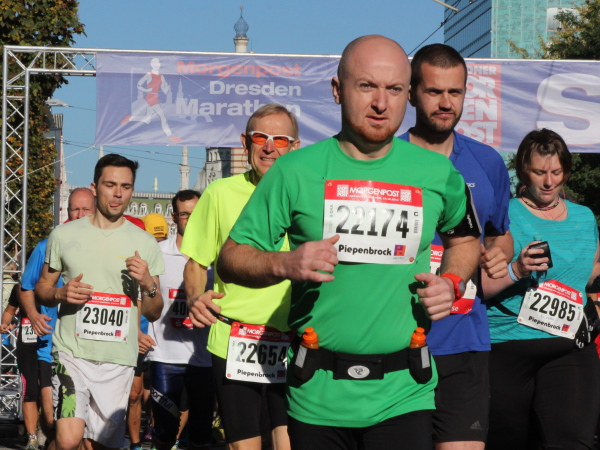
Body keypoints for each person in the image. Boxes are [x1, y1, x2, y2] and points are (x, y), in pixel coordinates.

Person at [216, 35, 481, 450]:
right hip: (317, 397)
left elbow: (464, 240)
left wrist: (451, 281)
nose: (381, 103)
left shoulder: (436, 172)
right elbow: (230, 259)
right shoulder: (293, 171)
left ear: (408, 95)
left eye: (394, 89)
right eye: (366, 86)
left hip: (405, 393)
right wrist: (284, 264)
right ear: (338, 90)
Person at [399, 43, 512, 449]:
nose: (446, 103)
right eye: (434, 91)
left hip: (465, 341)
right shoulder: (387, 161)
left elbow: (500, 232)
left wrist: (501, 253)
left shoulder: (487, 162)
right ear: (411, 93)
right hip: (397, 341)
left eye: (455, 92)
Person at [181, 103, 301, 450]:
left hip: (292, 339)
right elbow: (195, 262)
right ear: (245, 142)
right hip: (234, 338)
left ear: (295, 146)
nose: (269, 147)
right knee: (243, 445)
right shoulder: (220, 193)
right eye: (261, 138)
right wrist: (195, 297)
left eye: (281, 140)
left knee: (288, 443)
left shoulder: (308, 193)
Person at [35, 153, 164, 450]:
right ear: (95, 187)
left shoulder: (144, 242)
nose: (118, 193)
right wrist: (60, 294)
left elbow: (155, 312)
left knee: (98, 445)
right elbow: (42, 287)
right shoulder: (63, 235)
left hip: (118, 360)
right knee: (68, 438)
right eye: (110, 185)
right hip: (72, 353)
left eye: (125, 186)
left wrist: (148, 284)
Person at [484, 128, 600, 450]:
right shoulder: (503, 214)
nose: (549, 182)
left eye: (556, 172)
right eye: (539, 172)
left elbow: (587, 273)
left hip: (570, 346)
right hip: (507, 347)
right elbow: (481, 283)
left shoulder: (584, 217)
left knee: (573, 440)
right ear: (524, 171)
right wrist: (517, 269)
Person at [18, 187, 97, 450]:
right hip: (54, 346)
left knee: (86, 431)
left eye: (86, 209)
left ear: (95, 211)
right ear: (67, 211)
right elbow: (25, 287)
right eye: (75, 209)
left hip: (94, 347)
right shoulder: (47, 246)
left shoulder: (106, 248)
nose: (80, 215)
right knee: (55, 422)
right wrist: (33, 315)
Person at [147, 189, 215, 450]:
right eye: (184, 214)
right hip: (165, 356)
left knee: (201, 434)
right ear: (174, 217)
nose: (190, 219)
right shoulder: (158, 253)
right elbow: (142, 296)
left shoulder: (216, 256)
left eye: (196, 213)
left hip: (204, 356)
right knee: (164, 430)